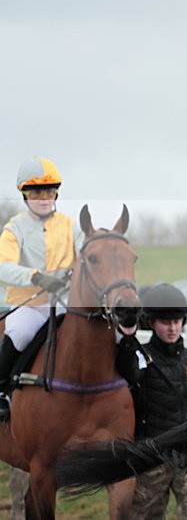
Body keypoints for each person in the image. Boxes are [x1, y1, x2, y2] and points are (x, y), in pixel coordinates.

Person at [0, 157, 84, 421]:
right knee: (20, 332)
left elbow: (86, 254)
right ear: (25, 196)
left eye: (49, 191)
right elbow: (3, 266)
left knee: (110, 332)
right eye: (36, 192)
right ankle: (2, 390)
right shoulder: (14, 229)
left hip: (66, 301)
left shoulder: (71, 226)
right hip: (30, 305)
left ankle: (132, 385)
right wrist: (36, 277)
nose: (44, 198)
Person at [130, 283, 187, 520]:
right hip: (153, 452)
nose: (172, 328)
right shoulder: (140, 358)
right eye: (166, 322)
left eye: (177, 321)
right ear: (151, 323)